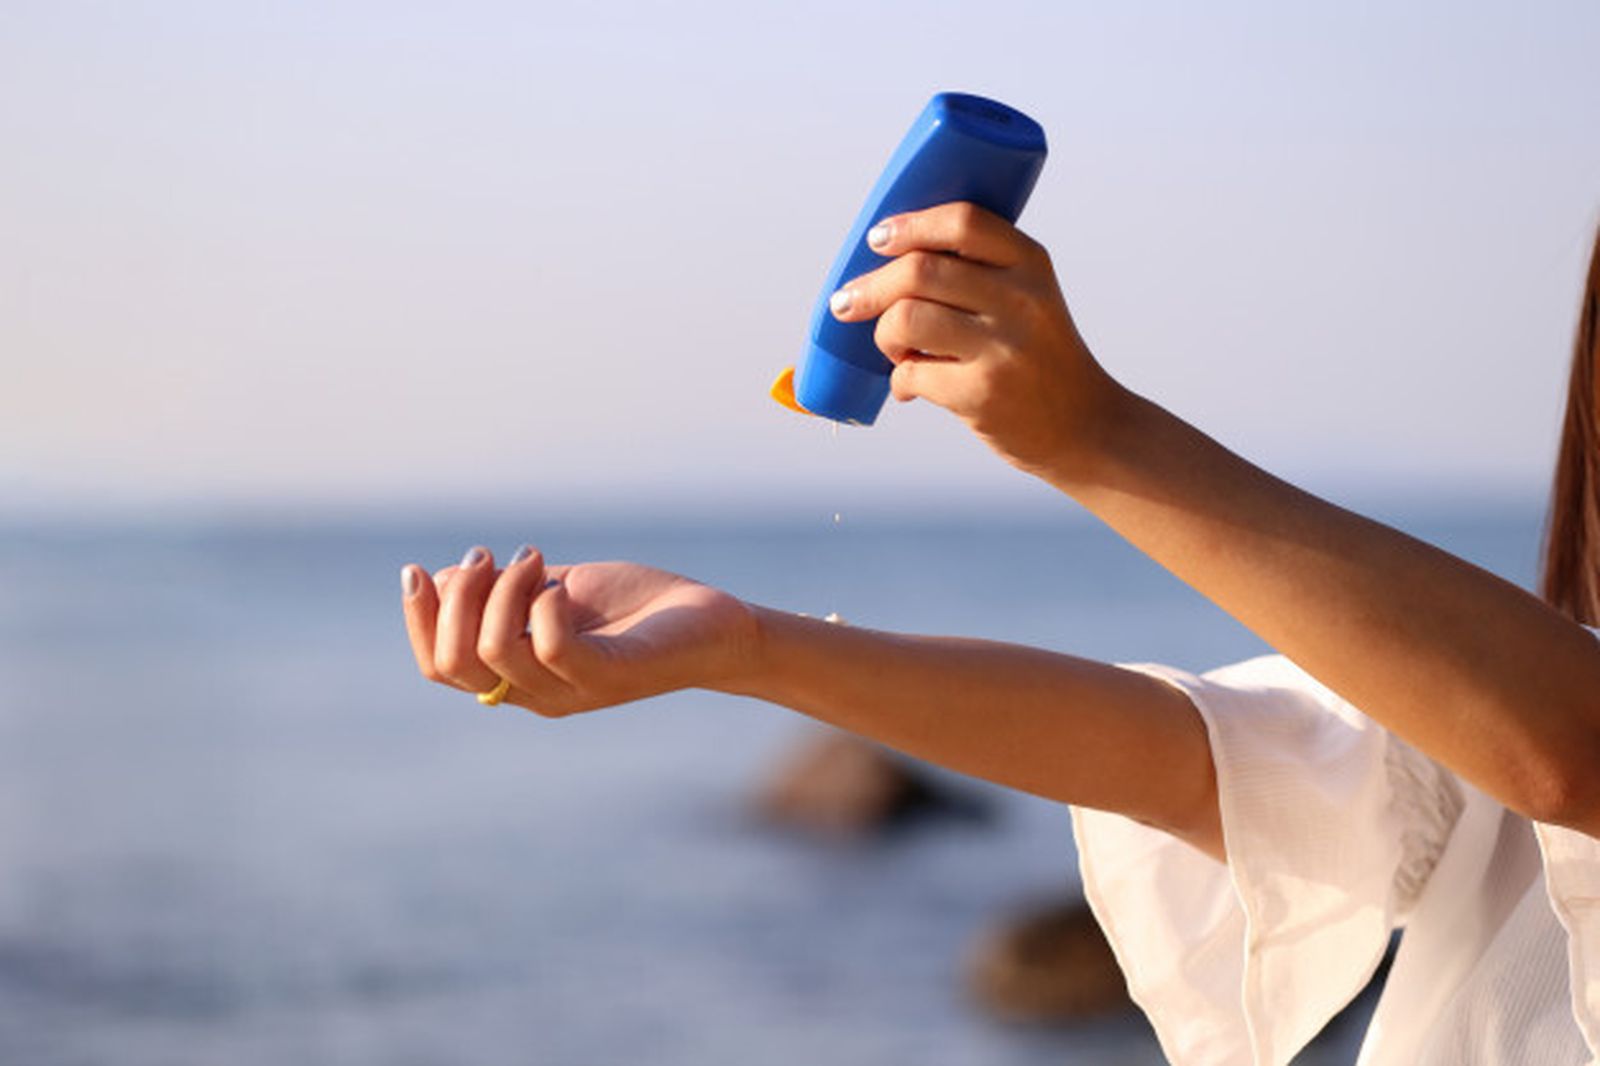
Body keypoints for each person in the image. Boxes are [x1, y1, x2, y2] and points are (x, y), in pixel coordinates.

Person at [399, 204, 1600, 1065]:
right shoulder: (1517, 673)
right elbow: (1199, 760)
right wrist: (741, 646)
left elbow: (1565, 752)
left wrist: (1090, 434)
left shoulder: (1544, 705)